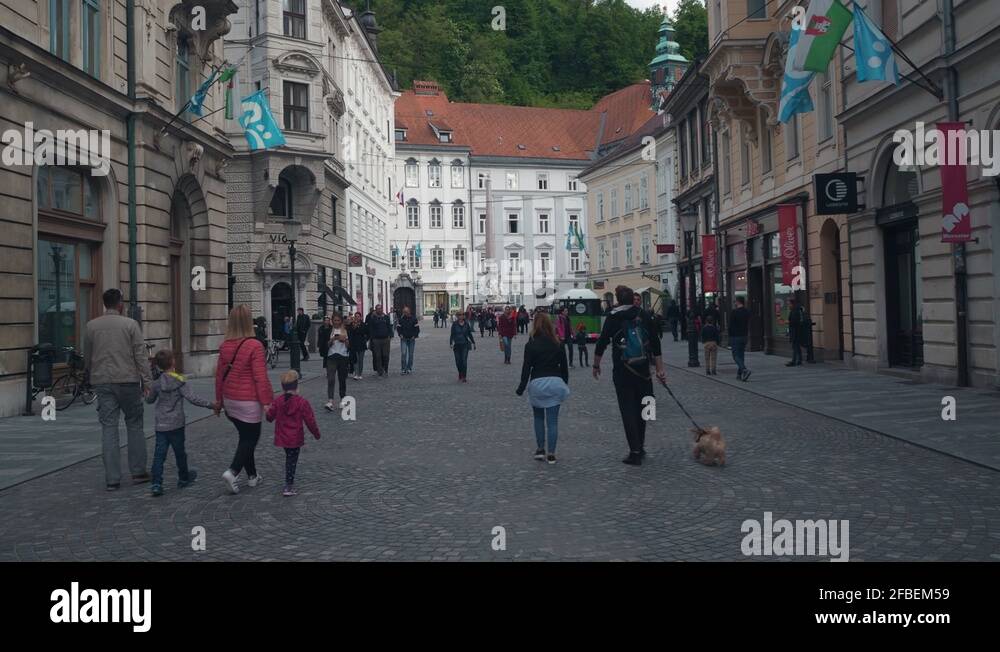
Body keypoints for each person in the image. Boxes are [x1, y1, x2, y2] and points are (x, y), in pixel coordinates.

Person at [83, 288, 153, 491]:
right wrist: (147, 382)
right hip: (128, 380)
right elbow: (140, 355)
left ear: (105, 304)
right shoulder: (130, 324)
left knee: (109, 428)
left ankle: (112, 478)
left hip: (102, 382)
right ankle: (138, 471)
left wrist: (88, 373)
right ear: (120, 304)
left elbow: (87, 355)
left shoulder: (91, 326)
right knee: (134, 424)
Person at [593, 285, 666, 466]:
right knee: (646, 408)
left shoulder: (613, 317)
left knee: (628, 410)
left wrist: (596, 364)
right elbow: (656, 343)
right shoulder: (644, 314)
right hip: (643, 371)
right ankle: (640, 446)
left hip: (623, 370)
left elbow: (602, 341)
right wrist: (660, 369)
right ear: (631, 298)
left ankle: (634, 451)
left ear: (618, 298)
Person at [215, 305, 275, 494]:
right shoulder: (255, 345)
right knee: (250, 439)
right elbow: (260, 376)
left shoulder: (225, 345)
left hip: (230, 400)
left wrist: (219, 401)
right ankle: (233, 471)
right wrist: (266, 401)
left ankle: (252, 476)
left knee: (244, 438)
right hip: (248, 401)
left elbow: (219, 376)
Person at [145, 349, 215, 496]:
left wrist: (146, 395)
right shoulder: (180, 381)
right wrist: (211, 404)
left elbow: (150, 400)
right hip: (176, 424)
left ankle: (156, 484)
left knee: (159, 455)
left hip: (161, 425)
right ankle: (183, 478)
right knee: (180, 453)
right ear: (173, 362)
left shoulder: (157, 383)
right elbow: (193, 398)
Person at [516, 312, 570, 464]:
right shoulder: (558, 343)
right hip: (555, 381)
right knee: (552, 422)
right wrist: (564, 383)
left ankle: (540, 450)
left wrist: (521, 387)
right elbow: (564, 368)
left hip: (537, 382)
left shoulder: (531, 344)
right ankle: (551, 453)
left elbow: (526, 368)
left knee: (538, 418)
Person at [266, 370, 321, 497]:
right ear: (296, 386)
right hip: (295, 438)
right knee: (291, 460)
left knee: (289, 457)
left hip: (283, 437)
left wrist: (268, 410)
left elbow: (269, 417)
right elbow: (310, 420)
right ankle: (288, 485)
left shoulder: (278, 401)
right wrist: (316, 434)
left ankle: (289, 483)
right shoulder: (301, 402)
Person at [323, 314, 350, 411]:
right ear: (332, 321)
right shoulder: (329, 331)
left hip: (343, 356)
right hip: (331, 356)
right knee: (331, 378)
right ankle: (330, 401)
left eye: (338, 320)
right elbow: (326, 345)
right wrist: (332, 339)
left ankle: (342, 399)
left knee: (342, 379)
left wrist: (345, 340)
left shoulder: (346, 330)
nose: (336, 322)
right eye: (335, 320)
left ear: (341, 321)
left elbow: (349, 346)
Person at [366, 304, 392, 376]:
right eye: (378, 309)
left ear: (382, 309)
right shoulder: (373, 318)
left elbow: (389, 326)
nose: (379, 310)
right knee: (378, 356)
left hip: (385, 339)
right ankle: (379, 370)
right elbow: (370, 328)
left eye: (380, 309)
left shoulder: (386, 317)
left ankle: (385, 368)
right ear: (376, 310)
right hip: (376, 339)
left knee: (385, 355)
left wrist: (390, 335)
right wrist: (372, 338)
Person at [449, 311, 476, 382]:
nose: (461, 316)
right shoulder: (454, 324)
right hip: (457, 345)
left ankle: (464, 376)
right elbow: (452, 334)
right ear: (457, 316)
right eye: (460, 315)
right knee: (458, 361)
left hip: (465, 345)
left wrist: (473, 342)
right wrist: (451, 343)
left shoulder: (466, 324)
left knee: (464, 361)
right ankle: (460, 373)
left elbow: (469, 334)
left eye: (463, 315)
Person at [729, 296, 751, 381]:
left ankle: (744, 370)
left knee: (735, 356)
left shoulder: (734, 312)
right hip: (744, 336)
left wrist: (729, 338)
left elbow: (731, 326)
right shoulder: (747, 312)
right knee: (741, 355)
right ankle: (739, 374)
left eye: (735, 301)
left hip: (735, 336)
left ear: (738, 302)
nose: (734, 303)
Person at [396, 306, 420, 375]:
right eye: (404, 312)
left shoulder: (414, 319)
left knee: (410, 354)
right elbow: (398, 328)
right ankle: (403, 368)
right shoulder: (401, 319)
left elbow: (417, 329)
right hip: (403, 338)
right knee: (403, 354)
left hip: (411, 339)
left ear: (409, 311)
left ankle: (409, 368)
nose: (405, 313)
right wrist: (400, 334)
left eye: (406, 312)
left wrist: (415, 335)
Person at [347, 313, 368, 380]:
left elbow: (364, 332)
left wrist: (357, 328)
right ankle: (356, 374)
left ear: (361, 317)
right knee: (356, 359)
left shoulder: (363, 324)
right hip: (354, 344)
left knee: (361, 360)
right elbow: (350, 333)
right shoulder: (351, 325)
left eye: (358, 317)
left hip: (361, 344)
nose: (357, 318)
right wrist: (354, 327)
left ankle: (360, 374)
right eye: (356, 317)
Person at [787, 297, 806, 367]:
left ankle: (794, 361)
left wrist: (788, 322)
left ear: (792, 304)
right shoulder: (795, 310)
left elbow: (795, 321)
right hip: (796, 331)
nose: (788, 305)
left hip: (795, 332)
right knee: (797, 346)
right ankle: (799, 360)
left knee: (795, 346)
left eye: (789, 304)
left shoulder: (795, 311)